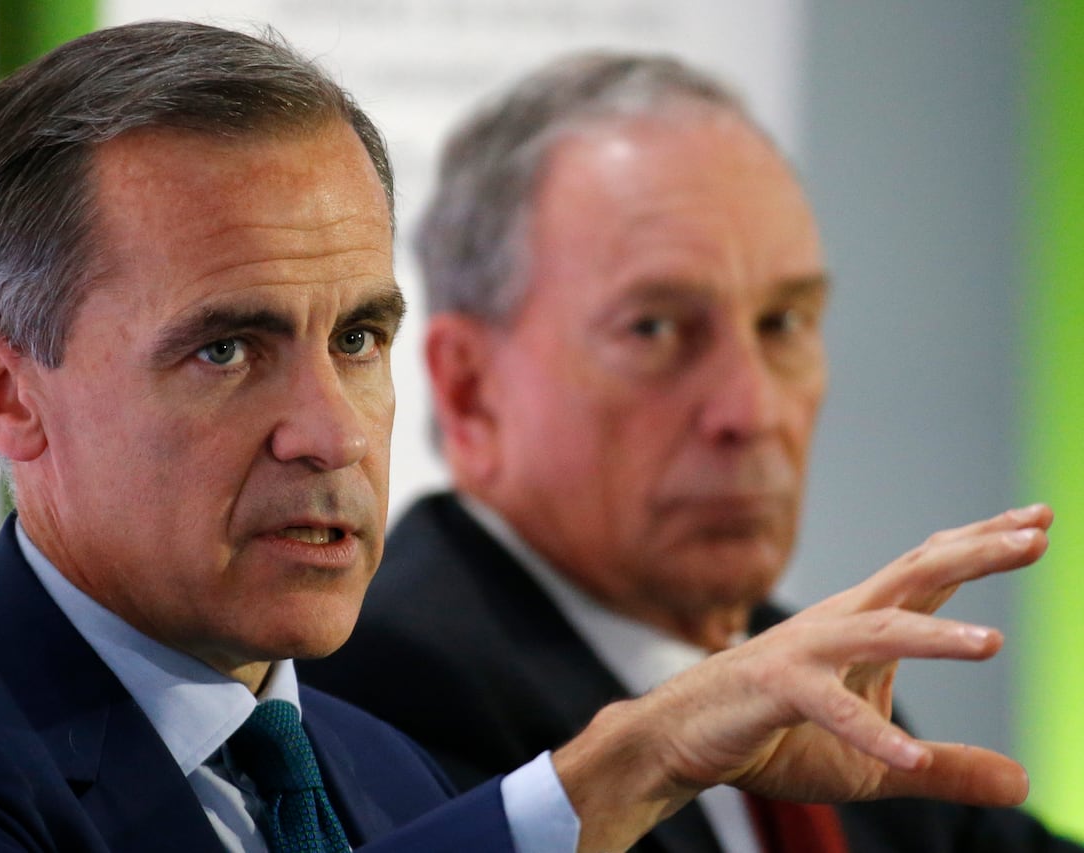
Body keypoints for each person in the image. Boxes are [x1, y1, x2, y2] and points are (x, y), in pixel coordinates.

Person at [0, 21, 1052, 853]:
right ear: (3, 394)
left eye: (356, 337)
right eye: (225, 349)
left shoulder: (373, 768)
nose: (328, 432)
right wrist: (616, 768)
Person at [299, 52, 1081, 851]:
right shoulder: (380, 694)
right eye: (657, 329)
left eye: (784, 323)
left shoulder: (796, 660)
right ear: (469, 390)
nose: (754, 410)